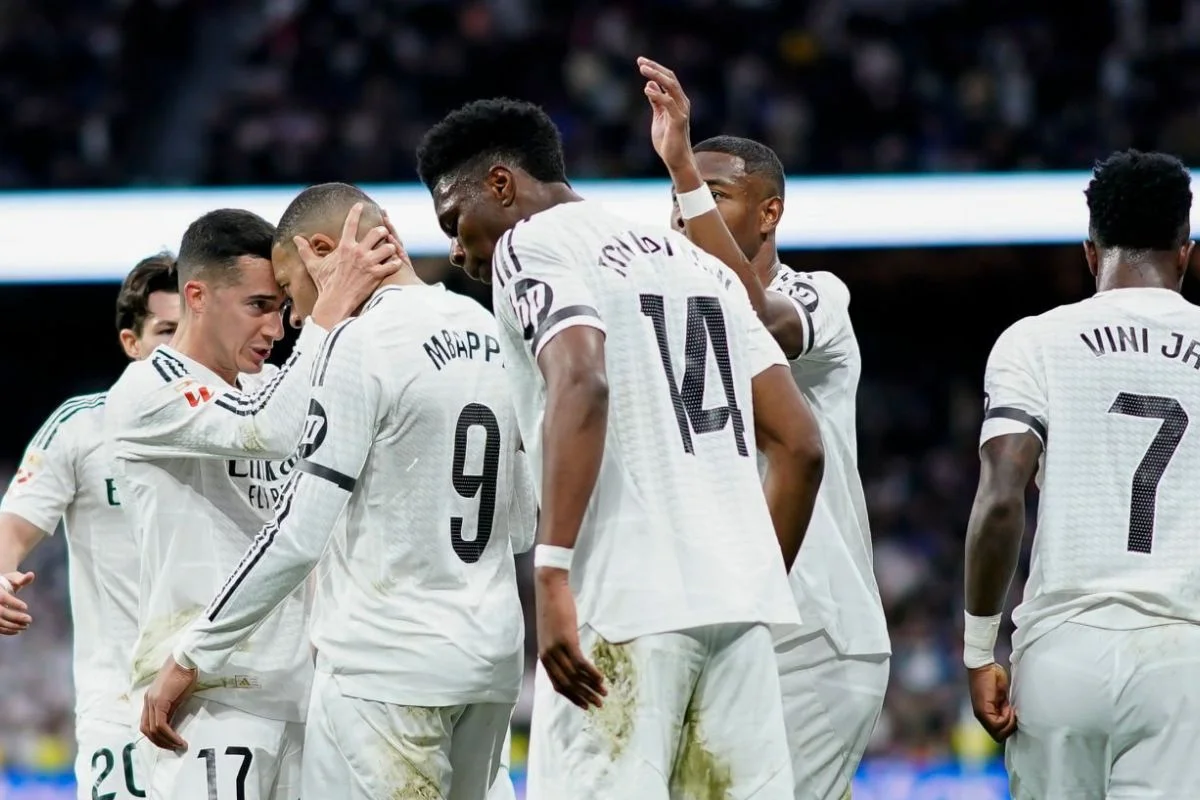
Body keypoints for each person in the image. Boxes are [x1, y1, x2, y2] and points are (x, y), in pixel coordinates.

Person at [417, 97, 825, 799]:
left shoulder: (531, 244)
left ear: (502, 186)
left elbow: (582, 378)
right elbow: (800, 444)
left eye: (456, 221)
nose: (457, 248)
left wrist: (550, 575)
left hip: (622, 603)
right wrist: (749, 575)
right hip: (737, 611)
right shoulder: (697, 261)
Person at [138, 183, 531, 800]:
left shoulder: (359, 344)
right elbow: (525, 522)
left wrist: (192, 655)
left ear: (326, 252)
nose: (291, 319)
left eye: (290, 293)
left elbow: (298, 534)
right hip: (492, 661)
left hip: (386, 668)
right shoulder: (485, 324)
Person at [638, 57, 891, 800]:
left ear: (769, 212)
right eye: (680, 199)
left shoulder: (815, 296)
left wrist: (682, 167)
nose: (686, 214)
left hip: (816, 635)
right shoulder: (667, 322)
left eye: (713, 197)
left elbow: (757, 321)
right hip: (723, 630)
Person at [105, 206, 397, 800]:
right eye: (259, 306)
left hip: (302, 695)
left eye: (282, 305)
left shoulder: (268, 386)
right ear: (197, 296)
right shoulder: (148, 387)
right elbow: (264, 430)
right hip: (207, 701)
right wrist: (332, 306)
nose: (278, 327)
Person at [963, 149, 1200, 798]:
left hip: (1062, 652)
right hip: (1184, 654)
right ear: (1187, 251)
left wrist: (979, 649)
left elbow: (1001, 499)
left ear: (1091, 252)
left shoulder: (1034, 341)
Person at [0, 253, 180, 800]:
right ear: (132, 342)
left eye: (190, 329)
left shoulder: (250, 422)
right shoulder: (83, 427)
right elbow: (13, 528)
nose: (181, 345)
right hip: (122, 711)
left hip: (236, 707)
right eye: (166, 329)